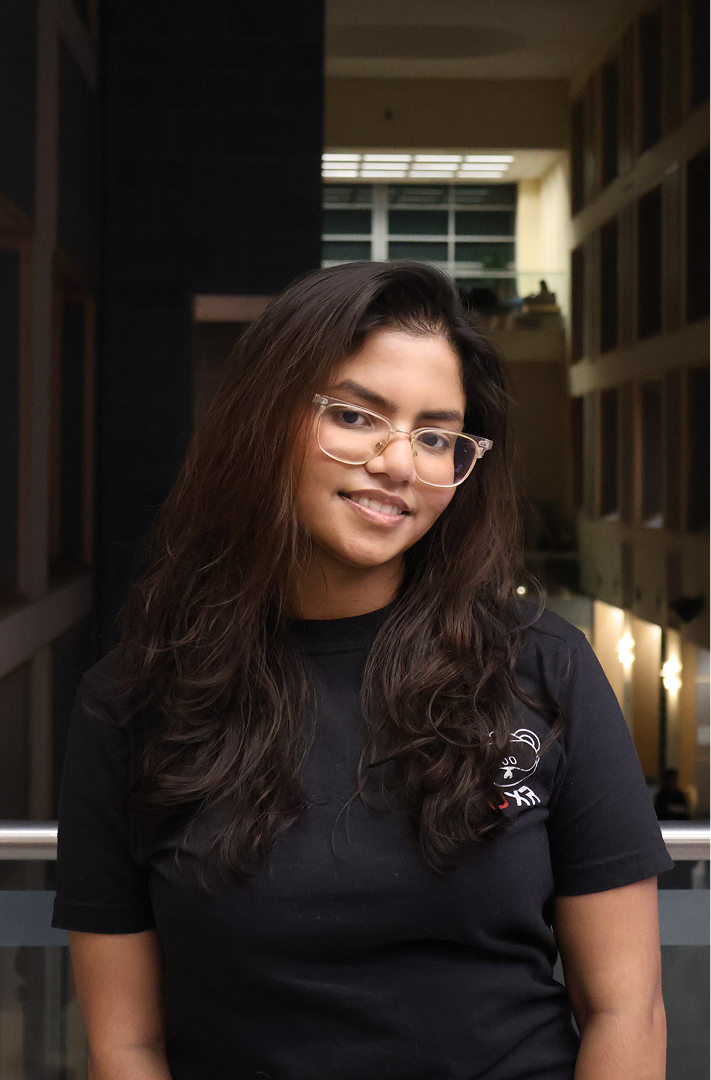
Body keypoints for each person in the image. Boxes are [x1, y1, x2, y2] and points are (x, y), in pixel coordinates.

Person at [53, 262, 671, 1080]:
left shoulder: (541, 667)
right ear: (263, 417)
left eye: (435, 436)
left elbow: (626, 1009)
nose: (398, 463)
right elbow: (125, 1046)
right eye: (354, 416)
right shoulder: (134, 701)